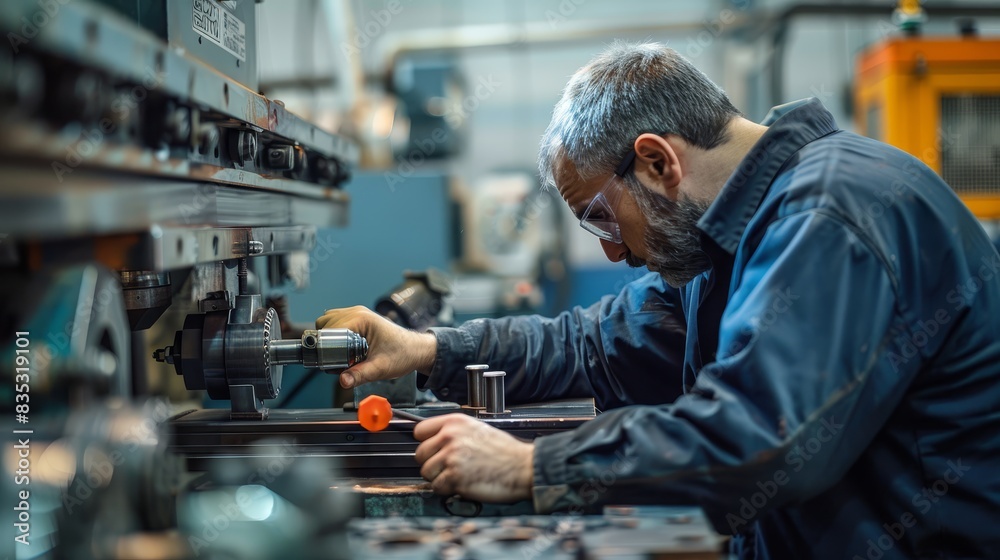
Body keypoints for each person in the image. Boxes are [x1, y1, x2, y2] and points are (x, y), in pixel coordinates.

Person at [317, 42, 1000, 558]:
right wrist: (428, 349)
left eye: (602, 218)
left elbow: (762, 437)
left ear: (656, 162)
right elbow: (596, 346)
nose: (613, 252)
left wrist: (534, 466)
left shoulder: (832, 214)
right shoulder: (723, 239)